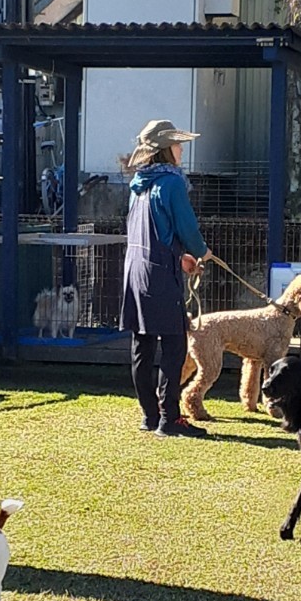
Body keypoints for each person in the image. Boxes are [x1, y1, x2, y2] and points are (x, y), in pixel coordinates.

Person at [120, 119, 212, 438]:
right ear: (164, 149)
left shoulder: (138, 184)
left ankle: (149, 415)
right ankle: (169, 419)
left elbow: (152, 230)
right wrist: (200, 252)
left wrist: (180, 256)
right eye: (177, 143)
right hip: (159, 272)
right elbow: (186, 226)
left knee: (142, 345)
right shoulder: (172, 183)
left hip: (135, 271)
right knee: (174, 344)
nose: (181, 149)